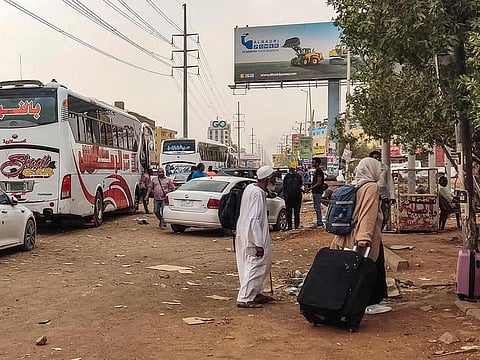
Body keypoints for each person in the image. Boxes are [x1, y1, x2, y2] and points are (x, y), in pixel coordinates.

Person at [330, 157, 389, 314]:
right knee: (368, 268)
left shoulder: (356, 184)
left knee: (357, 268)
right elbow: (368, 213)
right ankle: (369, 302)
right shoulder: (371, 187)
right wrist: (365, 237)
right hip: (363, 236)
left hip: (348, 235)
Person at [235, 165, 277, 308]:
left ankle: (256, 293)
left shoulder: (251, 189)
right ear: (268, 179)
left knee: (261, 265)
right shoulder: (257, 194)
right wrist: (258, 243)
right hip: (253, 235)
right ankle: (245, 297)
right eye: (274, 179)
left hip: (246, 232)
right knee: (256, 265)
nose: (275, 182)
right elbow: (254, 219)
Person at [369, 150, 396, 231]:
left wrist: (392, 196)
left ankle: (379, 232)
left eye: (378, 158)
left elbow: (390, 182)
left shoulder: (385, 168)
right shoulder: (367, 168)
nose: (377, 159)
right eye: (375, 158)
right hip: (371, 195)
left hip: (383, 195)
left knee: (385, 216)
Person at [283, 165, 303, 230]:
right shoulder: (298, 176)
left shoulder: (286, 177)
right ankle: (296, 226)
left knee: (289, 212)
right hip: (297, 196)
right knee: (296, 212)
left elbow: (284, 186)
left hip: (288, 197)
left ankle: (290, 226)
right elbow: (300, 184)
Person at [310, 157, 326, 228]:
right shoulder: (317, 171)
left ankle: (319, 222)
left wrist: (311, 188)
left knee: (317, 207)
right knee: (316, 207)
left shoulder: (319, 171)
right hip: (316, 191)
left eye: (313, 162)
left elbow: (319, 182)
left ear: (317, 163)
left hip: (317, 191)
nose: (312, 163)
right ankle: (319, 221)